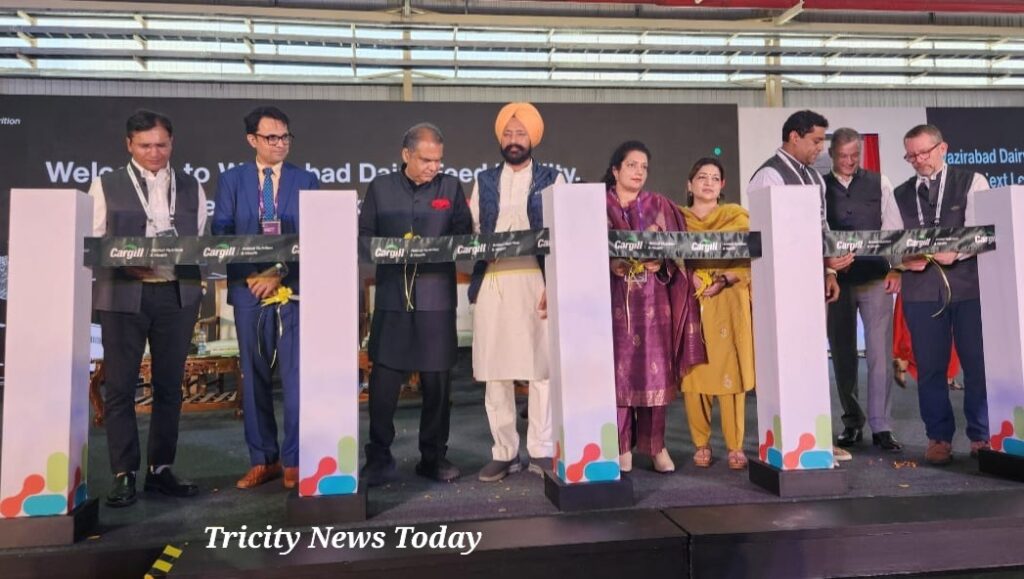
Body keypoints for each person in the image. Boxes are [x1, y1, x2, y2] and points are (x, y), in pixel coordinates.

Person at [90, 109, 205, 507]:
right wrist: (125, 262)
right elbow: (92, 242)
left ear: (171, 143)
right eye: (145, 145)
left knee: (169, 387)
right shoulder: (105, 185)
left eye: (161, 145)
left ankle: (161, 469)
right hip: (124, 294)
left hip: (177, 294)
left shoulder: (191, 185)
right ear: (129, 145)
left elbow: (200, 240)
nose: (154, 153)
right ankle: (123, 473)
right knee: (120, 387)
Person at [359, 123, 473, 486]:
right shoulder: (380, 187)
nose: (433, 167)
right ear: (406, 155)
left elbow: (464, 236)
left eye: (438, 160)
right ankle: (379, 457)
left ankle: (433, 457)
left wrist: (437, 247)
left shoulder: (450, 187)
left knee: (438, 385)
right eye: (425, 160)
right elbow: (364, 238)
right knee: (383, 384)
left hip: (436, 299)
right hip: (393, 299)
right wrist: (393, 250)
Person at [213, 106, 320, 490]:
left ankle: (295, 460)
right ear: (252, 140)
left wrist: (278, 272)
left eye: (285, 136)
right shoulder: (232, 181)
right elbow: (221, 232)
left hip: (293, 290)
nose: (280, 144)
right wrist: (253, 275)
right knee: (254, 376)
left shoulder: (307, 180)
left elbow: (315, 234)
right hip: (248, 291)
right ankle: (263, 459)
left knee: (296, 378)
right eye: (271, 137)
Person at [747, 109, 855, 462]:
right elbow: (766, 238)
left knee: (812, 364)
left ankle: (816, 438)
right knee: (785, 365)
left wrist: (829, 271)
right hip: (780, 289)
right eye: (816, 141)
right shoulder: (768, 176)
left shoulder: (814, 179)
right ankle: (787, 441)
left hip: (811, 285)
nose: (820, 148)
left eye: (822, 141)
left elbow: (821, 229)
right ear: (794, 137)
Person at [468, 103, 563, 482]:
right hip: (495, 281)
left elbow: (563, 233)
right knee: (496, 370)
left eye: (520, 133)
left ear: (533, 138)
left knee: (542, 368)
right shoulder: (485, 180)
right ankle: (504, 452)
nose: (513, 140)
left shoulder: (553, 179)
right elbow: (475, 231)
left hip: (537, 281)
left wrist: (554, 284)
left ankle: (541, 449)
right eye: (507, 133)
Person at [886, 124, 990, 466]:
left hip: (969, 287)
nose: (918, 160)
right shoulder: (898, 194)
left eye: (923, 153)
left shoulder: (972, 182)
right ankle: (938, 437)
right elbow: (890, 242)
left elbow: (983, 232)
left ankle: (982, 435)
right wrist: (902, 260)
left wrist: (957, 251)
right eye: (911, 156)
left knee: (977, 364)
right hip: (920, 292)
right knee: (930, 368)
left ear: (942, 148)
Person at [605, 140, 706, 474]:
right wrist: (612, 264)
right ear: (616, 170)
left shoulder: (660, 205)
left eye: (644, 167)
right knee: (618, 373)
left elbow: (680, 255)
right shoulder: (597, 206)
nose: (639, 172)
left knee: (654, 371)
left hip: (653, 300)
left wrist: (660, 263)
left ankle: (655, 446)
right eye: (632, 165)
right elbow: (582, 251)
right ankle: (621, 447)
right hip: (613, 300)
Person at [824, 128, 903, 452]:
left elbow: (894, 228)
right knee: (842, 354)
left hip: (875, 277)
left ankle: (882, 426)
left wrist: (896, 267)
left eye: (854, 155)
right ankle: (852, 422)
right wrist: (828, 268)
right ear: (831, 154)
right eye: (843, 156)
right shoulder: (819, 187)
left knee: (880, 355)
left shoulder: (879, 183)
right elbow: (816, 231)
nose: (849, 161)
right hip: (837, 283)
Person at [680, 158, 754, 470]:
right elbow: (669, 257)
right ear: (690, 184)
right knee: (694, 373)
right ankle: (701, 443)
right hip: (692, 300)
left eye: (714, 178)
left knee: (730, 372)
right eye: (702, 177)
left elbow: (751, 257)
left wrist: (725, 279)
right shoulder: (677, 219)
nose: (708, 183)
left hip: (729, 299)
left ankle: (736, 445)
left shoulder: (736, 216)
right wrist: (690, 277)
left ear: (722, 185)